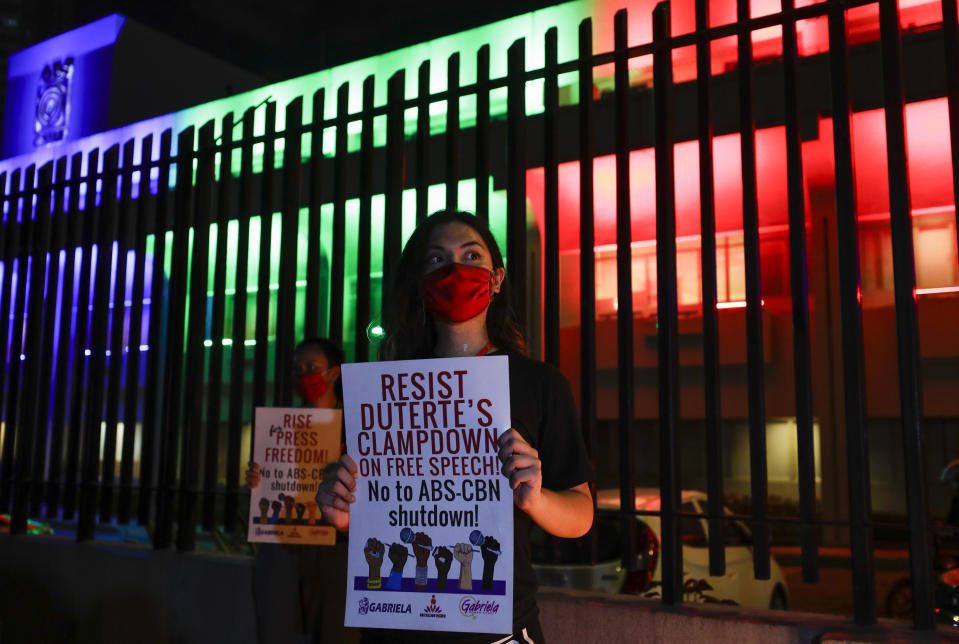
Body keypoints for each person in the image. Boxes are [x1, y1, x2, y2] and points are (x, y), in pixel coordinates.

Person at [317, 210, 594, 643]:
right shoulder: (384, 390)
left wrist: (536, 500)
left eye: (471, 255)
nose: (455, 270)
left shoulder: (539, 383)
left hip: (497, 627)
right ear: (419, 281)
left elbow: (581, 515)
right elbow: (378, 511)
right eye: (436, 260)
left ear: (497, 278)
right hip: (395, 624)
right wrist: (344, 512)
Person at [248, 337, 358, 644]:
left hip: (337, 550)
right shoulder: (281, 427)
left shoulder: (355, 427)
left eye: (312, 367)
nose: (302, 374)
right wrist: (259, 481)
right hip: (286, 546)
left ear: (334, 373)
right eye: (297, 368)